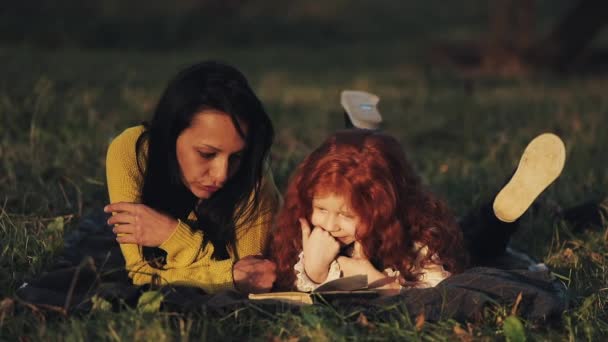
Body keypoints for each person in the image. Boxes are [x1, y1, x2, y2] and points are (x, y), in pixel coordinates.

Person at [269, 127, 565, 292]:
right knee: (469, 224)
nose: (330, 224)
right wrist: (315, 270)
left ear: (382, 209)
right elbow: (292, 283)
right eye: (321, 208)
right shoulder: (309, 226)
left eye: (346, 215)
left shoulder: (417, 238)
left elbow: (439, 287)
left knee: (482, 238)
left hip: (454, 251)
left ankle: (503, 211)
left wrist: (377, 281)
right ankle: (513, 206)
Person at [104, 61, 281, 294]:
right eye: (206, 154)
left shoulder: (253, 181)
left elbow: (252, 279)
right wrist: (227, 273)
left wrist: (173, 236)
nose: (222, 175)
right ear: (171, 134)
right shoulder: (131, 151)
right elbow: (141, 273)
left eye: (236, 157)